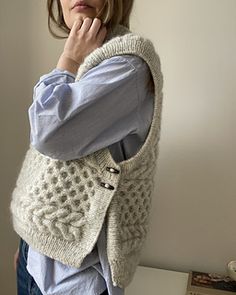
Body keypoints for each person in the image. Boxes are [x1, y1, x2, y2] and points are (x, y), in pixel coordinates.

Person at [10, 0, 164, 294]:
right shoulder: (91, 59)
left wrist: (67, 61)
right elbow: (47, 163)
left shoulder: (128, 63)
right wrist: (31, 241)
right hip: (36, 257)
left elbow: (48, 133)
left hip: (75, 276)